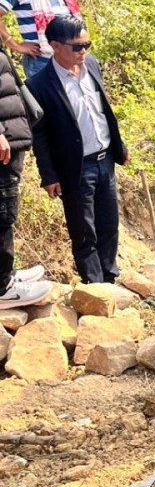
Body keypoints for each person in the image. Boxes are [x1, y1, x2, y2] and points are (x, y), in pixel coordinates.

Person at [28, 16, 126, 285]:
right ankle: (94, 285)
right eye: (77, 46)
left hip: (105, 160)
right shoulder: (39, 85)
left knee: (109, 224)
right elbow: (40, 136)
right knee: (84, 230)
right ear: (55, 46)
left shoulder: (91, 65)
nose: (84, 51)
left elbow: (104, 110)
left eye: (87, 44)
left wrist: (120, 146)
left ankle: (110, 278)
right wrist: (48, 175)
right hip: (75, 167)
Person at [0, 39, 49, 309]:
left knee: (5, 211)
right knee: (2, 213)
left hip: (10, 135)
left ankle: (5, 275)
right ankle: (2, 288)